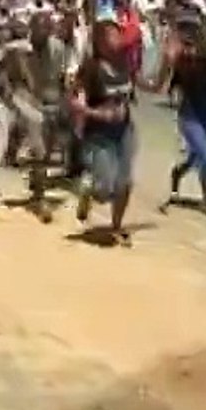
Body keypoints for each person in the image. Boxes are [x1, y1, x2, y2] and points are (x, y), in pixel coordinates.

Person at [0, 11, 70, 223]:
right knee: (40, 146)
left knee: (46, 149)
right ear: (31, 30)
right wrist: (6, 90)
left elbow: (63, 77)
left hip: (49, 99)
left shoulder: (58, 48)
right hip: (24, 98)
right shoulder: (17, 49)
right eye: (39, 30)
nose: (43, 34)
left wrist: (65, 102)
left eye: (48, 29)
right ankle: (40, 198)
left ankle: (37, 183)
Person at [150, 19, 206, 217]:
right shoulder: (181, 64)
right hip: (189, 117)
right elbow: (163, 87)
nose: (188, 48)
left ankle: (177, 173)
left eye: (190, 44)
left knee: (197, 159)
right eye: (185, 44)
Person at [69, 19, 137, 246]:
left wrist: (167, 66)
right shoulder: (91, 68)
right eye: (111, 35)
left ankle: (116, 225)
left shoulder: (124, 65)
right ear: (99, 41)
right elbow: (75, 101)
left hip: (124, 130)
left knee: (125, 183)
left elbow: (149, 87)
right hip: (99, 134)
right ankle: (87, 189)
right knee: (105, 190)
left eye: (118, 34)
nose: (116, 39)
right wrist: (94, 114)